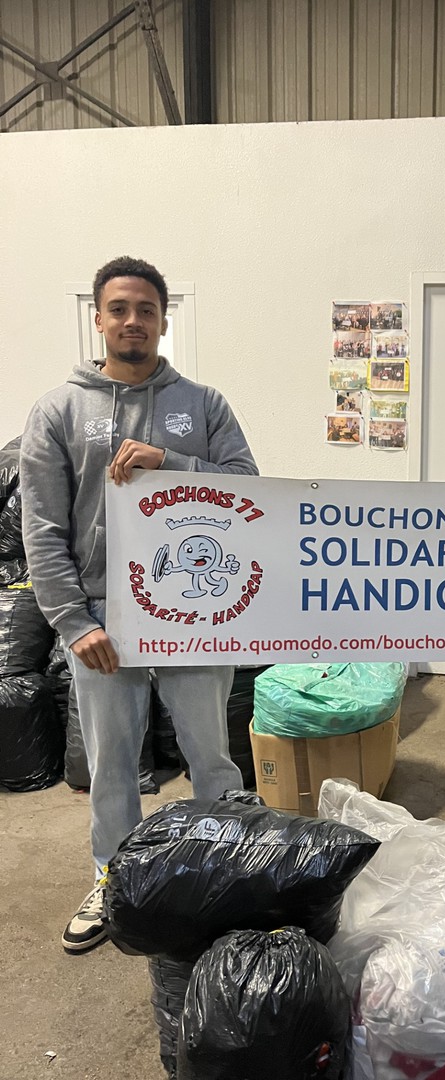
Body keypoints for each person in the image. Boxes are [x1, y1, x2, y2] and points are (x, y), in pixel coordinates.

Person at [21, 256, 259, 952]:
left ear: (162, 320)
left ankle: (226, 876)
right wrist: (73, 622)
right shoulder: (59, 411)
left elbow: (247, 487)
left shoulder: (204, 404)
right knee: (112, 768)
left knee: (212, 759)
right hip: (102, 619)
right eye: (119, 308)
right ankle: (115, 882)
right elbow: (43, 529)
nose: (133, 320)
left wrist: (170, 463)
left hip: (195, 612)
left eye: (146, 309)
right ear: (98, 318)